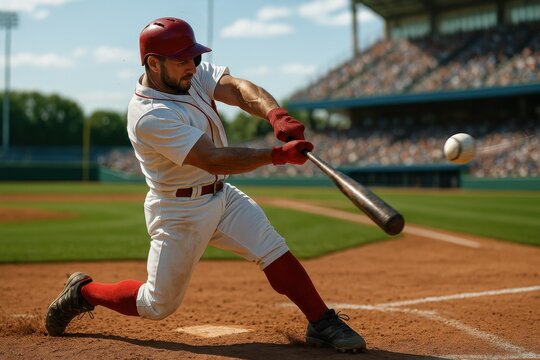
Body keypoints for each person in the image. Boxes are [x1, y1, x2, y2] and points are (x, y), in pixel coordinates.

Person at [44, 17, 366, 352]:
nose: (193, 67)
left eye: (195, 58)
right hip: (179, 211)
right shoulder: (150, 114)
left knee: (273, 249)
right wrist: (277, 156)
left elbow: (239, 89)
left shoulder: (188, 76)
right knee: (158, 304)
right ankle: (83, 292)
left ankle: (321, 321)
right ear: (154, 63)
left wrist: (276, 114)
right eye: (183, 60)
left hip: (221, 196)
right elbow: (212, 158)